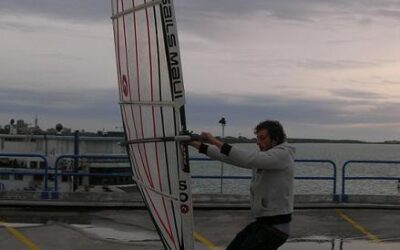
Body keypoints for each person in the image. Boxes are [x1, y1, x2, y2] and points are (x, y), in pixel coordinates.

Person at [189, 120, 295, 250]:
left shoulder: (282, 155)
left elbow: (247, 158)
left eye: (262, 138)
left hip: (275, 228)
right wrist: (195, 144)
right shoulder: (266, 156)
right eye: (257, 138)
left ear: (275, 139)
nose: (258, 142)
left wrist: (214, 141)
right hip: (263, 224)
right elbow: (229, 157)